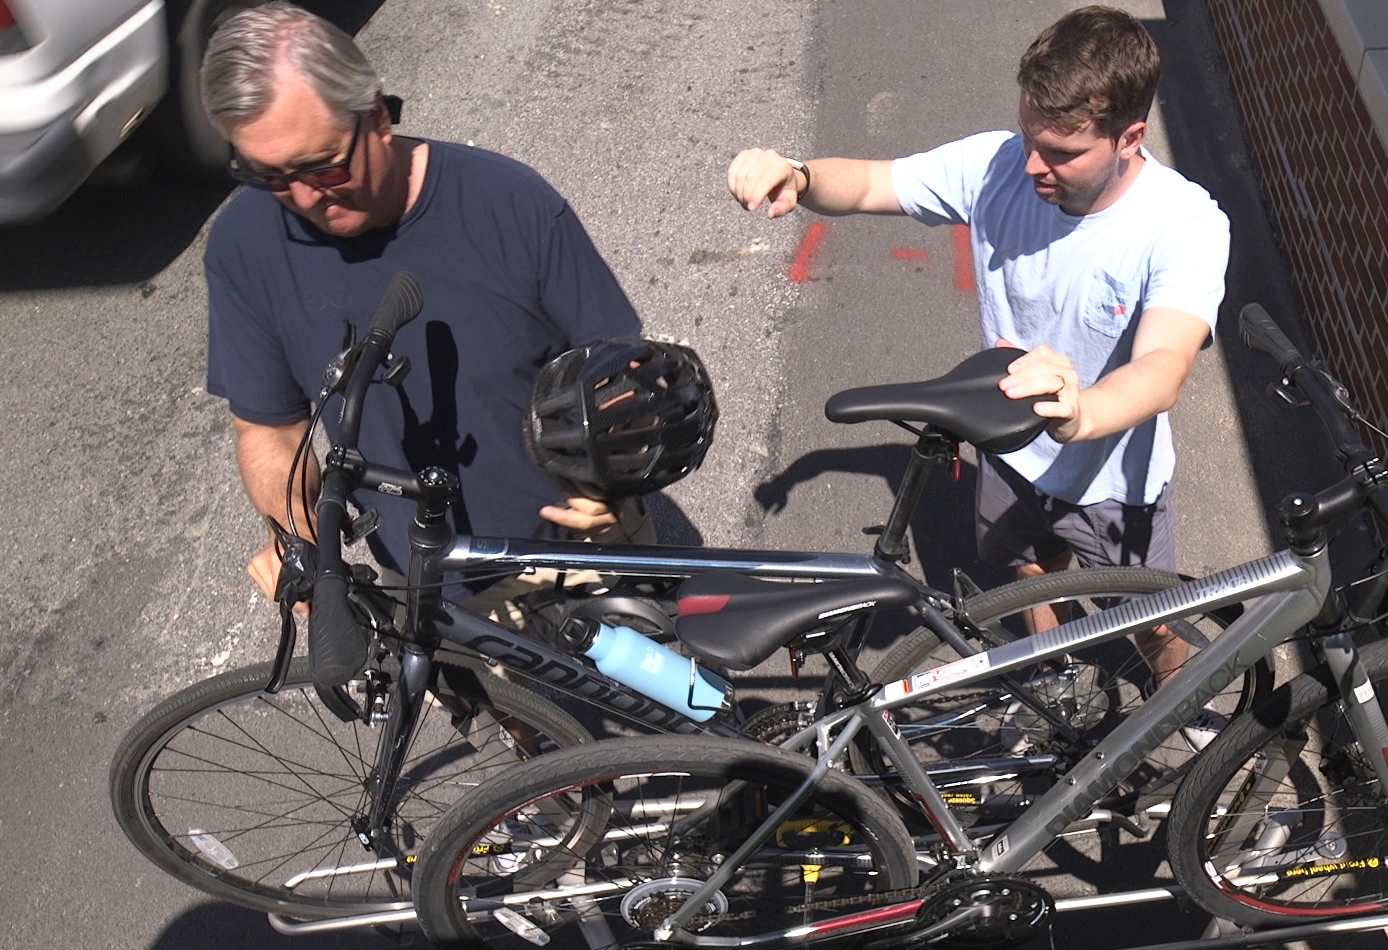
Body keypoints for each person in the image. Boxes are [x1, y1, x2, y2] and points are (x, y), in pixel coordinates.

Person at [726, 5, 1228, 682]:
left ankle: (1194, 716)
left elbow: (1164, 364)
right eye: (1029, 137)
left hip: (1111, 482)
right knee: (1028, 567)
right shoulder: (996, 165)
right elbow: (876, 182)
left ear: (1131, 137)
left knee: (1151, 624)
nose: (1032, 166)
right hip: (1011, 449)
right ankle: (1050, 683)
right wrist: (802, 176)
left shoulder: (1184, 224)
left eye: (1062, 152)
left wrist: (1080, 414)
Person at [200, 2, 644, 604]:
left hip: (573, 551)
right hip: (422, 586)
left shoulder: (511, 204)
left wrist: (608, 478)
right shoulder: (242, 245)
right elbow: (269, 428)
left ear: (378, 116)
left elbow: (622, 368)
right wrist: (296, 534)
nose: (302, 197)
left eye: (323, 168)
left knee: (665, 697)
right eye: (271, 176)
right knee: (492, 704)